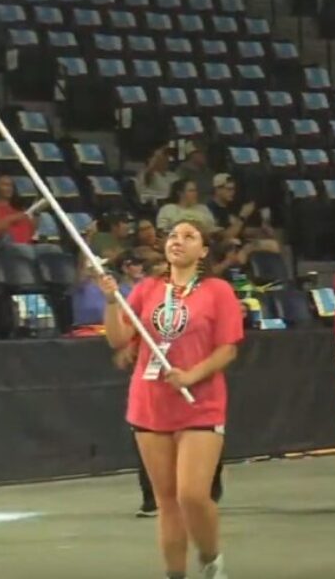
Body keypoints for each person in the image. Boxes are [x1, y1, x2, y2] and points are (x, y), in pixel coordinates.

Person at [98, 219, 244, 579]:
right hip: (150, 403)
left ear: (204, 251)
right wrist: (111, 302)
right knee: (166, 502)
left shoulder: (218, 290)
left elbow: (227, 350)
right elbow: (119, 339)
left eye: (189, 236)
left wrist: (192, 375)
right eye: (174, 236)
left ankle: (211, 559)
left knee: (192, 495)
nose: (178, 241)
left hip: (200, 403)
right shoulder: (147, 288)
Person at [0, 174, 37, 246]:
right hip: (3, 248)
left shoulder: (20, 208)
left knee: (50, 249)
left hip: (28, 246)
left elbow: (32, 232)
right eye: (5, 185)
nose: (9, 188)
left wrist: (35, 216)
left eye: (11, 185)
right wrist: (14, 218)